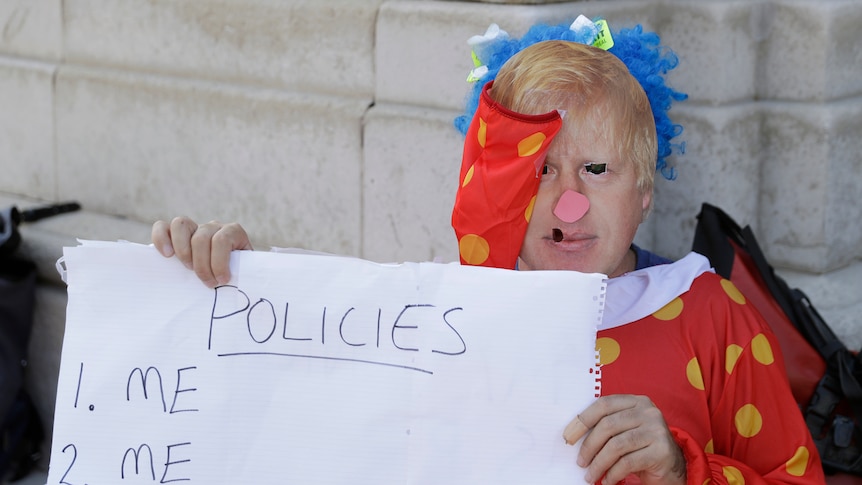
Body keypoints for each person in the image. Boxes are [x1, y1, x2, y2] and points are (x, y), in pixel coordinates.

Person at [152, 18, 825, 485]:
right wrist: (233, 286)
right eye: (537, 170)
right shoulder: (442, 315)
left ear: (644, 190)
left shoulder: (710, 313)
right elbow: (311, 419)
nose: (567, 202)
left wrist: (682, 471)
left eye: (597, 170)